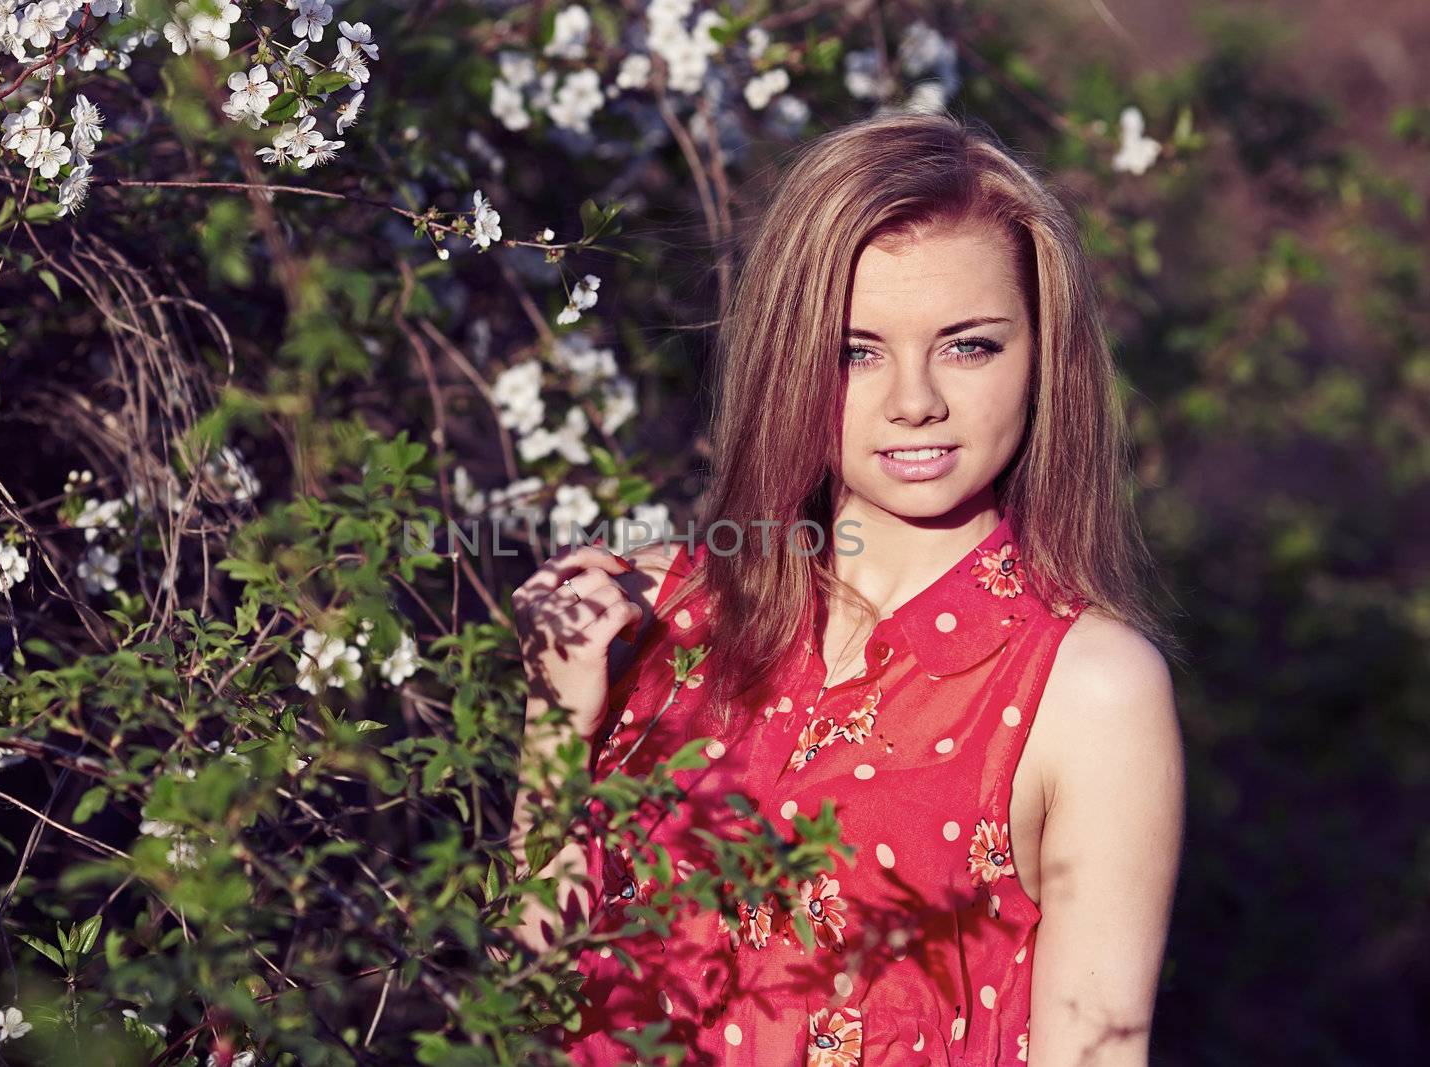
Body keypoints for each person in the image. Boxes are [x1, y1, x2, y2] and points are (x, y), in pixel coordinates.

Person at [508, 111, 1186, 1066]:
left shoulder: (1090, 689)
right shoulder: (661, 613)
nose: (914, 399)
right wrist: (553, 729)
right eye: (855, 350)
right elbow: (533, 1010)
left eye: (968, 345)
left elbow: (1096, 1053)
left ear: (1042, 356)